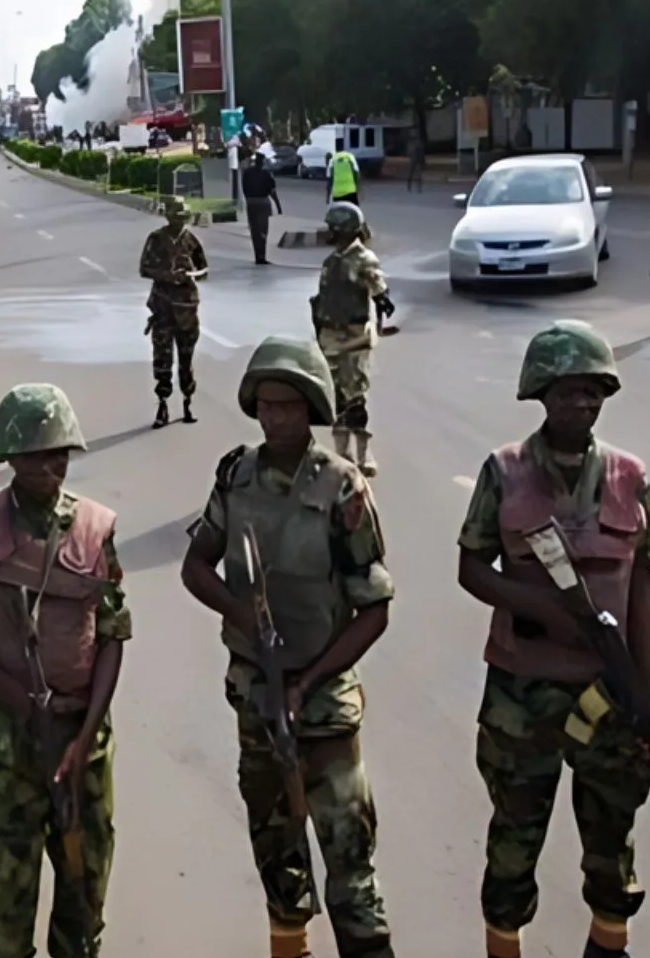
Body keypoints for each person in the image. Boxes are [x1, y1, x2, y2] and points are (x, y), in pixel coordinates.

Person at [456, 321, 650, 958]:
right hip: (522, 693)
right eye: (567, 391)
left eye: (592, 391)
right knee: (515, 833)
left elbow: (642, 597)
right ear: (540, 393)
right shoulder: (505, 471)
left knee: (612, 830)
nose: (581, 403)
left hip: (608, 691)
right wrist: (543, 608)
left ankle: (608, 945)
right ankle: (504, 944)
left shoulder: (630, 476)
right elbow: (470, 568)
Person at [178, 338, 396, 958]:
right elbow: (197, 566)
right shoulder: (236, 477)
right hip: (256, 692)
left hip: (324, 699)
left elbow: (374, 608)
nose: (276, 418)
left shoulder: (342, 488)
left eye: (289, 406)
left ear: (311, 409)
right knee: (276, 847)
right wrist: (238, 610)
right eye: (266, 405)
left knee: (349, 856)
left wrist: (309, 680)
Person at [0, 384, 129, 958]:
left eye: (61, 452)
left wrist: (86, 733)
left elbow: (114, 631)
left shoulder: (94, 529)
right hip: (11, 748)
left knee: (83, 894)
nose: (53, 464)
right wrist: (20, 704)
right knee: (6, 906)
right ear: (11, 457)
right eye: (41, 453)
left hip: (84, 747)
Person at [312, 202, 396, 477]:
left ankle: (363, 452)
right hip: (329, 336)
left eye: (332, 229)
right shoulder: (332, 260)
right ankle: (342, 452)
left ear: (344, 230)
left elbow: (378, 286)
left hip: (354, 336)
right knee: (335, 395)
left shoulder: (363, 258)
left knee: (356, 395)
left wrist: (382, 300)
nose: (328, 233)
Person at [139, 195, 209, 428]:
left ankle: (188, 401)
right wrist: (167, 275)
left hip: (187, 309)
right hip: (162, 308)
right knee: (163, 358)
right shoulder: (156, 239)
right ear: (167, 216)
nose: (178, 221)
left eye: (182, 217)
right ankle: (163, 403)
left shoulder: (191, 241)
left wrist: (190, 274)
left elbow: (205, 270)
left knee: (186, 360)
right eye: (174, 216)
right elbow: (144, 268)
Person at [242, 151, 283, 265]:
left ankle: (257, 256)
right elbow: (272, 192)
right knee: (263, 230)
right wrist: (278, 207)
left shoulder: (247, 173)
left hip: (251, 202)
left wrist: (248, 200)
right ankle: (262, 256)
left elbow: (244, 189)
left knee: (254, 230)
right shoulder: (266, 174)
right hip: (263, 203)